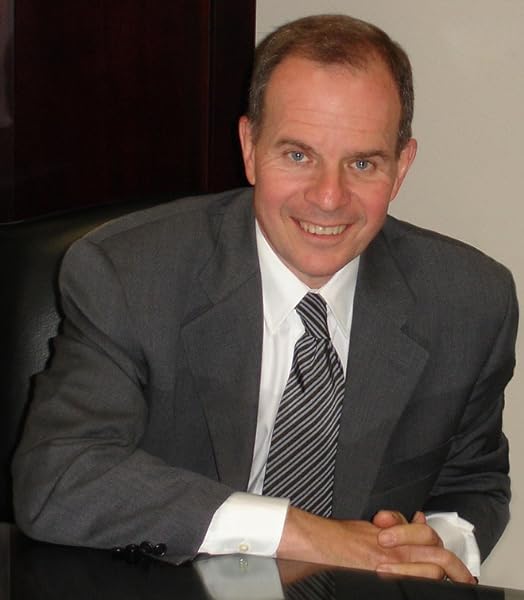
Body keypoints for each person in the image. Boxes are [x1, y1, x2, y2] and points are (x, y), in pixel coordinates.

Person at [12, 14, 517, 585]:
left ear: (401, 167)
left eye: (362, 163)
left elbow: (473, 482)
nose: (329, 197)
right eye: (298, 155)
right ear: (250, 148)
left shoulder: (469, 301)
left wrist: (435, 545)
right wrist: (302, 534)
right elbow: (60, 474)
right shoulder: (129, 275)